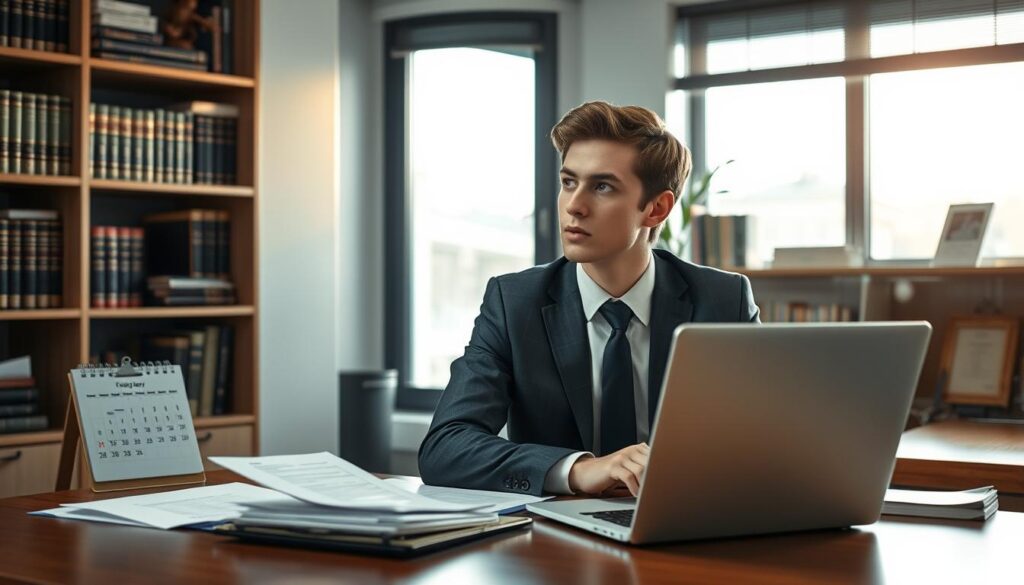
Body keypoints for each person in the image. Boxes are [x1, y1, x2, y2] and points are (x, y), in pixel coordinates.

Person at [418, 101, 760, 497]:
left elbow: (765, 440)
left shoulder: (722, 301)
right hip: (554, 539)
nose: (574, 206)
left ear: (656, 208)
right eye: (568, 182)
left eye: (602, 187)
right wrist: (581, 470)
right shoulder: (515, 303)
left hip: (685, 526)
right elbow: (445, 447)